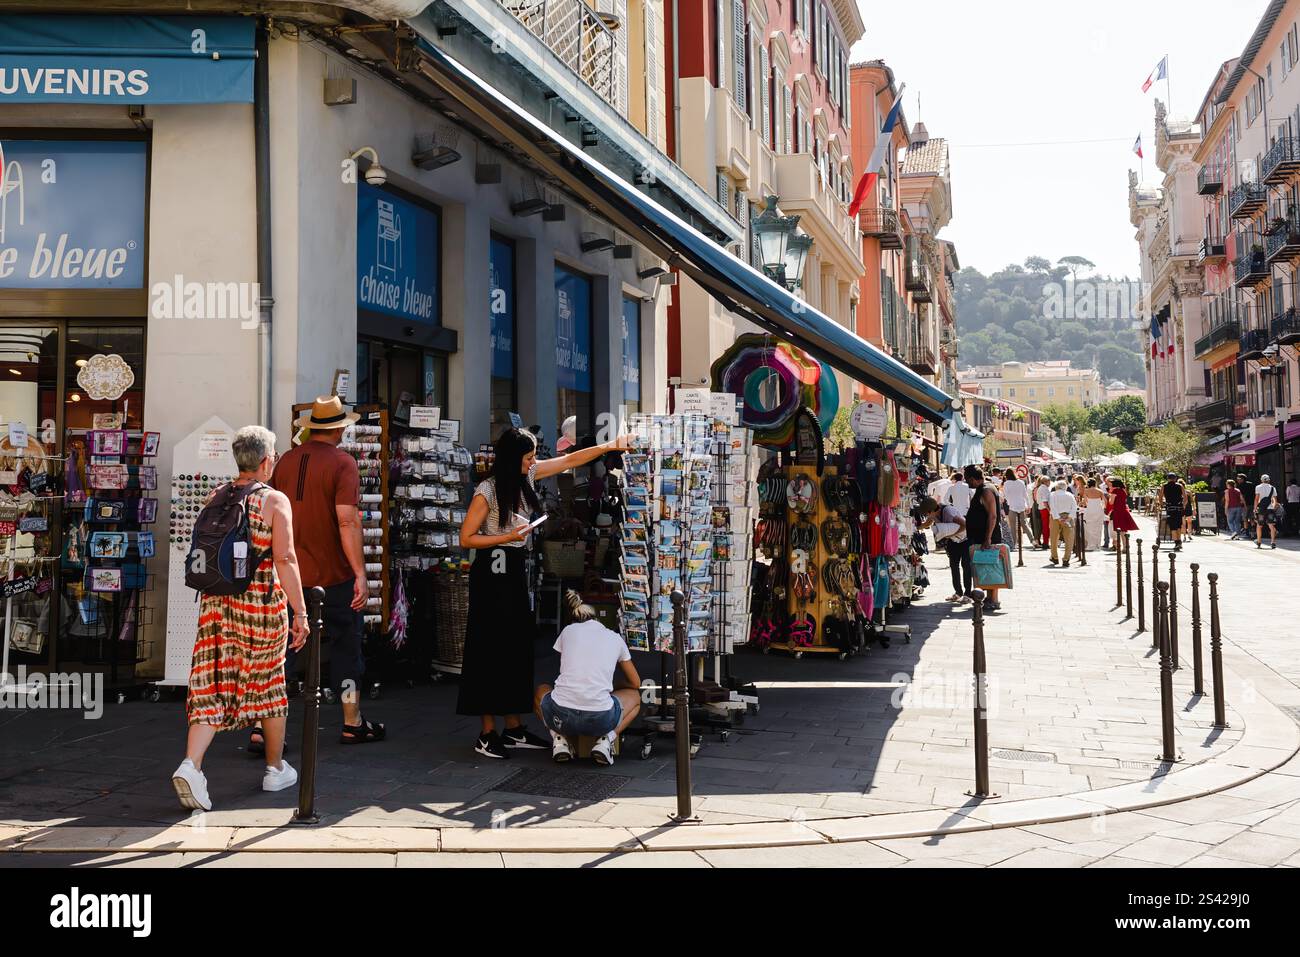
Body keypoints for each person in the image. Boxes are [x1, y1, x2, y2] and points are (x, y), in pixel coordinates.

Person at [458, 426, 631, 759]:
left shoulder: (528, 477)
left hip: (515, 571)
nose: (534, 461)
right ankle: (487, 732)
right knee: (489, 648)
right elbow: (467, 537)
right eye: (528, 457)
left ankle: (512, 726)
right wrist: (506, 537)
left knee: (516, 647)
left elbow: (570, 460)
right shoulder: (487, 490)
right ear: (512, 459)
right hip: (492, 574)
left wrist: (610, 445)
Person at [171, 426, 310, 812]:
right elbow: (285, 559)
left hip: (216, 605)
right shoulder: (274, 501)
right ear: (266, 461)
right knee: (268, 681)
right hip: (260, 607)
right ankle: (275, 767)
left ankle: (192, 765)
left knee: (212, 681)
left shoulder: (217, 495)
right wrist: (300, 611)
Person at [270, 396, 384, 745]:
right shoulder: (343, 462)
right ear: (339, 428)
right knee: (347, 649)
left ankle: (265, 729)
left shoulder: (285, 461)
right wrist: (361, 574)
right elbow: (347, 520)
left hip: (288, 573)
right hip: (333, 575)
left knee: (281, 649)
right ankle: (352, 720)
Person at [535, 590, 643, 766]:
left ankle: (559, 739)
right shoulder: (615, 638)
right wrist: (616, 685)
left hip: (561, 715)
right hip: (600, 720)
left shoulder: (567, 631)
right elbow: (636, 683)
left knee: (541, 690)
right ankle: (605, 741)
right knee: (636, 699)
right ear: (599, 620)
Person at [963, 465, 1005, 612]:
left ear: (973, 479)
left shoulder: (986, 490)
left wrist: (987, 538)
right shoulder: (986, 488)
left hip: (987, 536)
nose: (967, 482)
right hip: (983, 535)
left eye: (967, 479)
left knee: (991, 566)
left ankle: (993, 599)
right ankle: (989, 597)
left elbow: (992, 515)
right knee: (987, 566)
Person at [919, 495, 970, 602]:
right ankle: (958, 592)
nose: (926, 515)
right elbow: (928, 523)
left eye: (926, 513)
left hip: (965, 540)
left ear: (931, 511)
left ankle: (968, 594)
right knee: (954, 566)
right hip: (953, 541)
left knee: (966, 566)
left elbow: (965, 524)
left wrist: (950, 535)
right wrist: (917, 528)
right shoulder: (933, 513)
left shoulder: (948, 512)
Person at [1048, 480, 1078, 567]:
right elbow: (1074, 507)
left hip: (1055, 517)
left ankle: (1054, 557)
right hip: (1068, 516)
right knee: (1069, 539)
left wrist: (1058, 518)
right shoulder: (1070, 495)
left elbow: (1052, 507)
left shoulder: (1052, 494)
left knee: (1054, 538)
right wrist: (1068, 518)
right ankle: (1066, 559)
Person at [1108, 477, 1139, 554]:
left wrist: (1109, 497)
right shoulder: (1123, 491)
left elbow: (1111, 502)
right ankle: (1126, 546)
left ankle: (1125, 547)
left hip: (1118, 512)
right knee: (1124, 530)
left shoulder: (1115, 491)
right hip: (1124, 511)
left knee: (1121, 531)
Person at [1001, 468, 1030, 549]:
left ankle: (1014, 544)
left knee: (1012, 527)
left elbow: (1005, 495)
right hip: (1021, 505)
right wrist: (1027, 505)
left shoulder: (1006, 483)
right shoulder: (1021, 482)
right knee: (1025, 525)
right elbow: (1025, 495)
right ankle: (1033, 540)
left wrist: (1009, 501)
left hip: (1012, 506)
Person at [1156, 472, 1185, 550]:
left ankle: (1177, 542)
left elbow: (1160, 497)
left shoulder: (1164, 486)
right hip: (1178, 508)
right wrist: (1184, 506)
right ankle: (1179, 541)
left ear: (1168, 479)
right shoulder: (1180, 486)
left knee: (1173, 527)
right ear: (1175, 478)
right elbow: (1185, 497)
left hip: (1170, 508)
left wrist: (1162, 505)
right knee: (1178, 525)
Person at [1081, 477, 1106, 551]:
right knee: (1098, 527)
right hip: (1098, 509)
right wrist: (1103, 508)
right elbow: (1105, 501)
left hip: (1090, 509)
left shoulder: (1086, 491)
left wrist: (1081, 503)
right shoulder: (1100, 491)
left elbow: (1085, 502)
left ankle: (1090, 544)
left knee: (1089, 527)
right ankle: (1097, 544)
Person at [1254, 474, 1279, 549]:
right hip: (1270, 508)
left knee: (1259, 525)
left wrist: (1255, 508)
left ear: (1261, 480)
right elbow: (1275, 500)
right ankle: (1273, 542)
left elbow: (1256, 498)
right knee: (1271, 525)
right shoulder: (1272, 488)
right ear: (1269, 480)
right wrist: (1274, 506)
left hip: (1261, 508)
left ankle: (1259, 542)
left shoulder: (1258, 487)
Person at [1033, 475, 1052, 549]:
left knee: (1045, 526)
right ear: (1045, 482)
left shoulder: (1041, 488)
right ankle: (1045, 543)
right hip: (1044, 509)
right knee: (1046, 526)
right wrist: (1049, 510)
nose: (1050, 482)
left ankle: (1045, 542)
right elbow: (1045, 501)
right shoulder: (1044, 488)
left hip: (1042, 508)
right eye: (1049, 481)